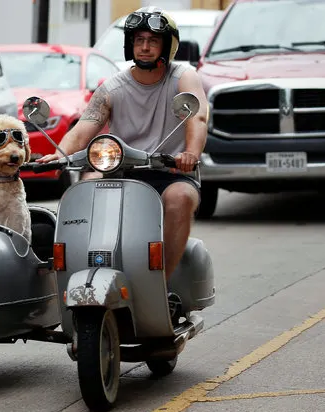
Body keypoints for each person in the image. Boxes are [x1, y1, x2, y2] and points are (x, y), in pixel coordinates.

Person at [36, 6, 209, 282]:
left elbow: (197, 116)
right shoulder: (113, 88)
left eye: (152, 41)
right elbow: (83, 129)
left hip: (171, 172)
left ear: (168, 46)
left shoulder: (183, 77)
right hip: (122, 170)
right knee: (87, 183)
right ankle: (85, 270)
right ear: (130, 44)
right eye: (138, 40)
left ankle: (160, 286)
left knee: (180, 200)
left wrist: (190, 153)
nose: (144, 47)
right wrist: (58, 155)